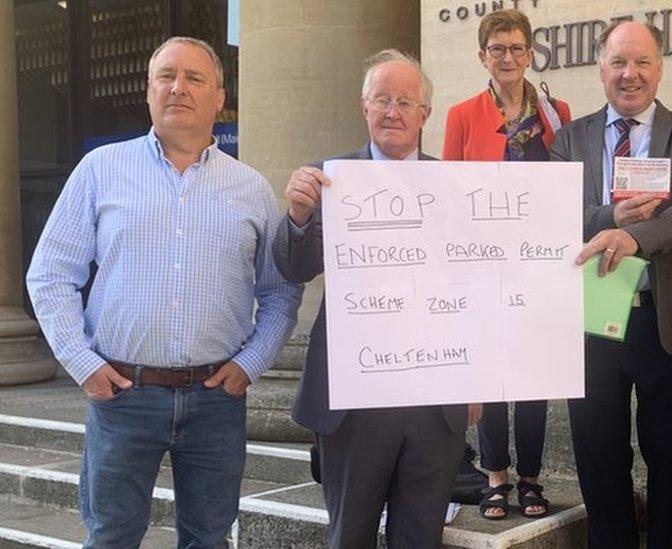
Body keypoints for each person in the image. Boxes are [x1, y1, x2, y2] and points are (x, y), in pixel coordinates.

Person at [25, 36, 302, 547]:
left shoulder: (251, 188)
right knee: (111, 537)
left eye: (195, 78)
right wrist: (82, 364)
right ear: (148, 91)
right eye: (166, 76)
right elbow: (49, 274)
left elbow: (281, 291)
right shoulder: (101, 170)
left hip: (216, 399)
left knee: (209, 539)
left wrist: (251, 364)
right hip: (122, 395)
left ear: (220, 97)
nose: (179, 88)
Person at [273, 49, 475, 548]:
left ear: (425, 114)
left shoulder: (462, 188)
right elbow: (294, 268)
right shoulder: (328, 180)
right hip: (354, 400)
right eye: (382, 99)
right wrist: (298, 217)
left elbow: (480, 289)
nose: (393, 111)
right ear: (364, 107)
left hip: (435, 400)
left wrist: (480, 381)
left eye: (406, 101)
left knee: (420, 538)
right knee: (351, 537)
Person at [553, 21, 672, 548]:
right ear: (601, 68)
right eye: (619, 62)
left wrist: (636, 238)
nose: (631, 74)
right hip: (592, 318)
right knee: (599, 459)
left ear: (660, 68)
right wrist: (612, 218)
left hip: (664, 320)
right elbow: (554, 216)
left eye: (642, 62)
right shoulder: (569, 139)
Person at [441, 8, 572, 520]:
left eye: (518, 48)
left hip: (540, 265)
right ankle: (496, 476)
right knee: (492, 374)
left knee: (534, 375)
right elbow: (448, 192)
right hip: (482, 264)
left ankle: (532, 478)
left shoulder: (556, 111)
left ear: (531, 53)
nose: (509, 58)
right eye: (498, 49)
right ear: (482, 56)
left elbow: (568, 184)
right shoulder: (461, 115)